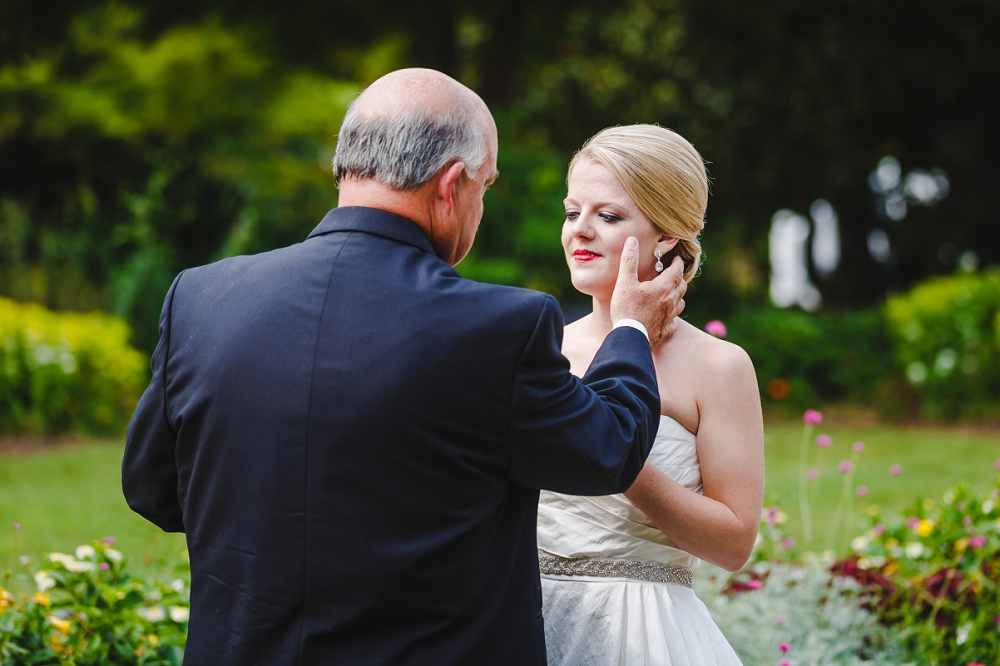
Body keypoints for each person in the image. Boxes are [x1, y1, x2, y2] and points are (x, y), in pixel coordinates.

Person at [122, 69, 688, 665]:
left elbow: (153, 489)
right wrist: (630, 326)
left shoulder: (202, 299)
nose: (480, 206)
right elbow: (608, 448)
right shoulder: (497, 327)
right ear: (451, 186)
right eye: (485, 187)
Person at [537, 124, 765, 665]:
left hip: (640, 633)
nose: (580, 232)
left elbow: (733, 544)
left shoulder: (718, 367)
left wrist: (612, 453)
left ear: (666, 237)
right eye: (572, 213)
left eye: (608, 216)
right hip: (527, 619)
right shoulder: (542, 348)